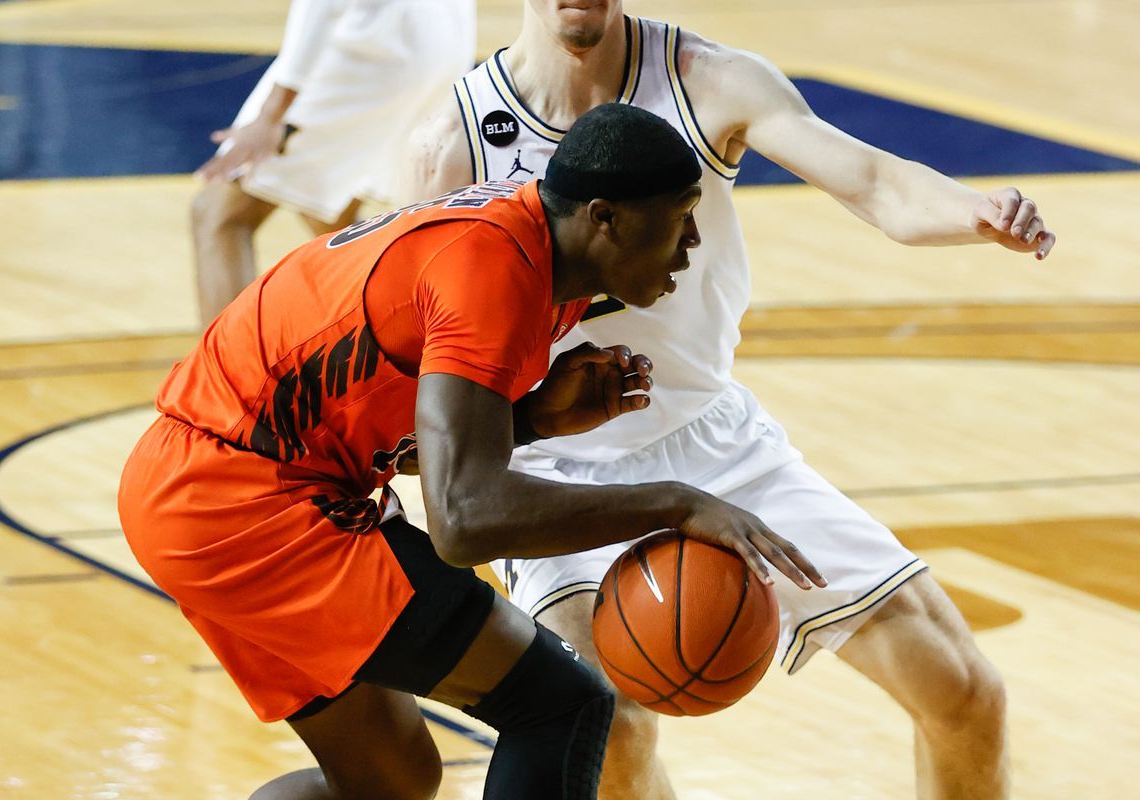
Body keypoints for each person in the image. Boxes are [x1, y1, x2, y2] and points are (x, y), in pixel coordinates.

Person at [405, 3, 1056, 798]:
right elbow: (414, 350)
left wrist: (980, 213)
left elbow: (879, 184)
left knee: (963, 689)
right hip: (556, 465)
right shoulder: (456, 141)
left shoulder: (707, 82)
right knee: (611, 727)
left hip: (717, 441)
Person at [118, 104, 825, 800]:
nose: (693, 241)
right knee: (561, 704)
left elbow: (403, 438)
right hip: (239, 502)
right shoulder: (492, 271)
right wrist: (677, 504)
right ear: (604, 216)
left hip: (206, 489)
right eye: (680, 214)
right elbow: (463, 521)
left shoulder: (534, 249)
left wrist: (530, 422)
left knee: (388, 783)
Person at [192, 0, 476, 325]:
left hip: (371, 52)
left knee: (220, 215)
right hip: (439, 42)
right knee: (330, 214)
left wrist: (271, 114)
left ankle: (227, 372)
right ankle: (397, 340)